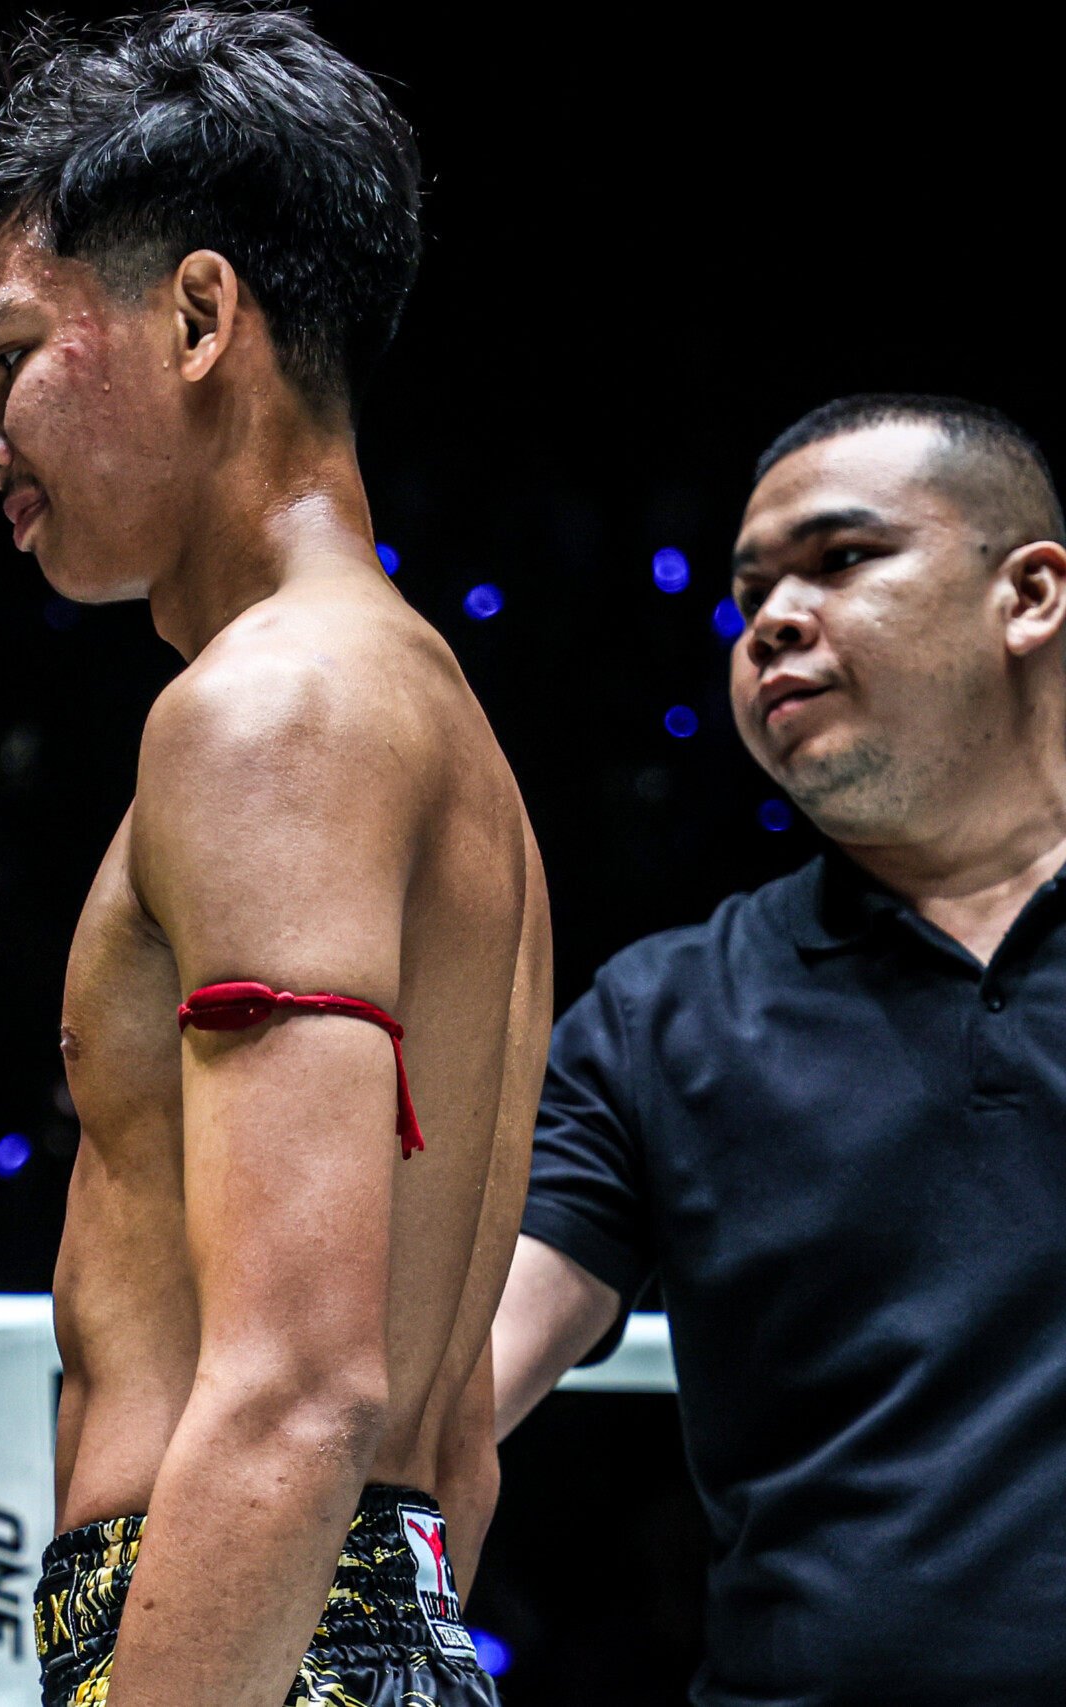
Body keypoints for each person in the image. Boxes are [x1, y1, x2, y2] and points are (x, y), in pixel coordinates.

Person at [0, 10, 549, 1705]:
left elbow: (299, 1391)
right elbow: (455, 1441)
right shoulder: (432, 716)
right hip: (339, 1629)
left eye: (9, 359)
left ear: (201, 317)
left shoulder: (275, 709)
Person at [491, 394, 1066, 1705]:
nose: (772, 622)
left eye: (842, 559)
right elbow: (450, 1385)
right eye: (751, 592)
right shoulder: (663, 1014)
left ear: (1029, 595)